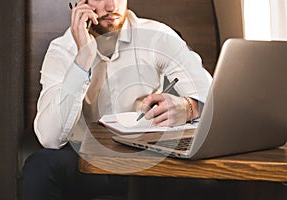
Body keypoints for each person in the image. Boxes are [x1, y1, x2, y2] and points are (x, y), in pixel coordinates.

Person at [22, 0, 216, 199]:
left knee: (207, 182)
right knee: (41, 166)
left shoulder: (158, 36)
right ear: (79, 4)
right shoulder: (61, 50)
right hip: (87, 163)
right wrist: (83, 60)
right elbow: (50, 138)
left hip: (149, 163)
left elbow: (210, 94)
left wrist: (189, 107)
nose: (112, 6)